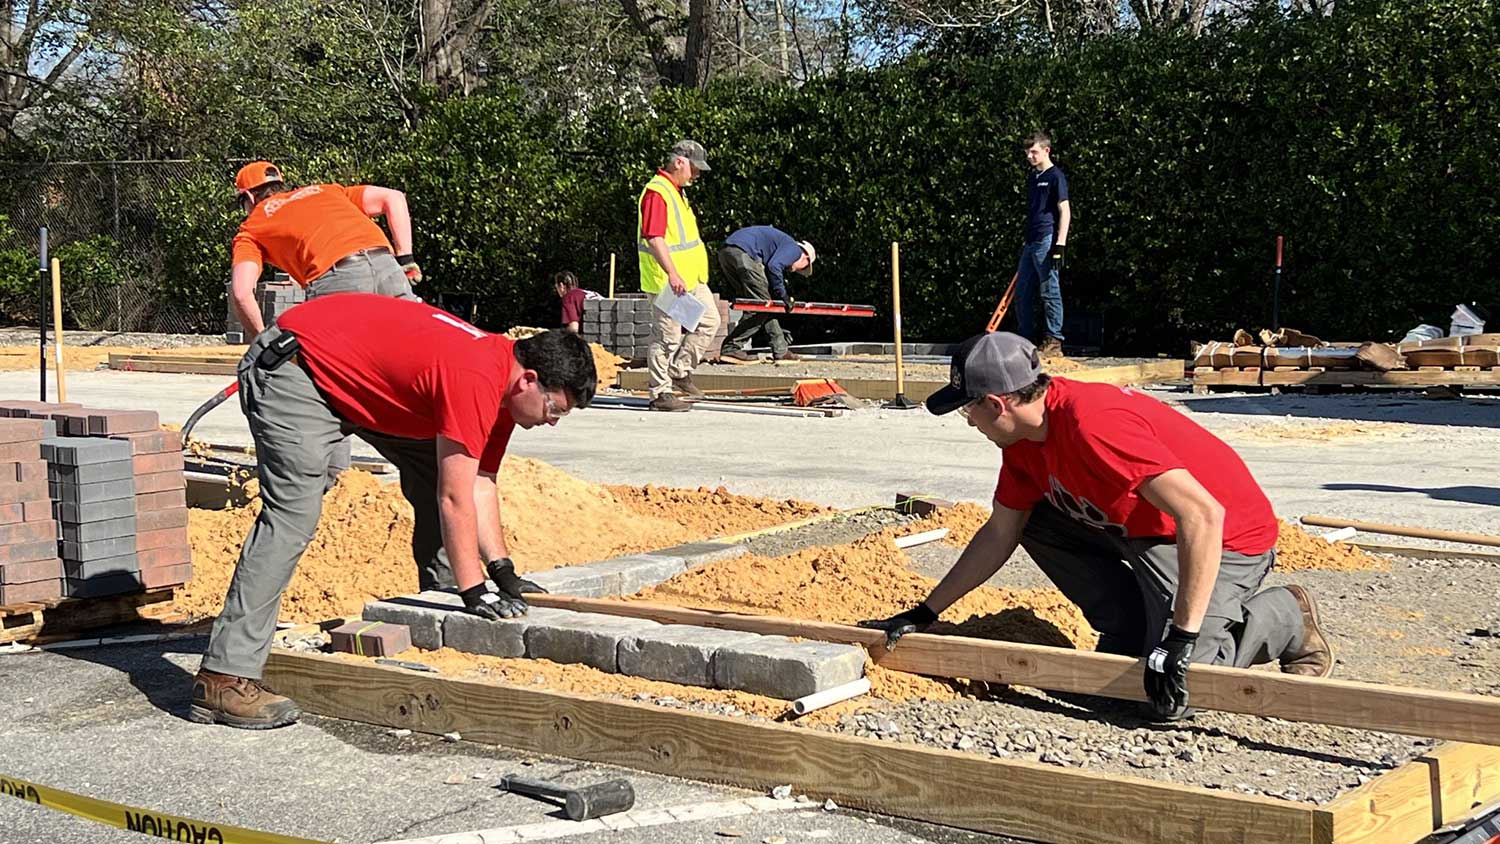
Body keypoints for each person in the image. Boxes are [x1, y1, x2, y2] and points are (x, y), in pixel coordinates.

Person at [860, 332, 1332, 721]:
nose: (969, 422)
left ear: (997, 403)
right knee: (1034, 520)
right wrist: (925, 612)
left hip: (1224, 539)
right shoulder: (1023, 443)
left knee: (1178, 692)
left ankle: (1286, 615)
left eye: (969, 410)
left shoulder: (1093, 423)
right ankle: (1126, 630)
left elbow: (1203, 515)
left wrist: (1181, 639)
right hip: (1144, 530)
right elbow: (1000, 532)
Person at [190, 293, 596, 729]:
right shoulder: (476, 377)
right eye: (554, 408)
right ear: (529, 380)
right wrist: (475, 591)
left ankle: (438, 596)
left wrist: (502, 571)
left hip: (357, 379)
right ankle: (224, 678)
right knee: (293, 514)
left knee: (430, 468)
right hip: (297, 369)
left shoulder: (503, 391)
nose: (552, 421)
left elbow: (479, 482)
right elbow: (455, 499)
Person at [229, 160, 425, 482]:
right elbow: (394, 198)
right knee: (411, 368)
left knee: (328, 378)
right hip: (388, 267)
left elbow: (241, 292)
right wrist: (405, 259)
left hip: (338, 282)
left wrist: (262, 340)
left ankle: (334, 478)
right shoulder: (326, 191)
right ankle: (440, 465)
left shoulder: (252, 227)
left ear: (249, 198)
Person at [637, 139, 722, 412]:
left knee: (710, 321)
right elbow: (654, 238)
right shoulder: (657, 193)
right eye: (694, 168)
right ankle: (659, 393)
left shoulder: (676, 192)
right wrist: (672, 273)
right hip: (668, 282)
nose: (696, 174)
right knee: (667, 336)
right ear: (678, 162)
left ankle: (680, 369)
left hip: (690, 279)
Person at [717, 226, 815, 363]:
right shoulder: (795, 250)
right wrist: (783, 294)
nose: (794, 271)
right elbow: (775, 266)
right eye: (803, 267)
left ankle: (780, 349)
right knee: (760, 307)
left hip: (726, 252)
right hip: (745, 253)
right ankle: (731, 348)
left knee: (761, 304)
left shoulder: (780, 244)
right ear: (806, 257)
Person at [1014, 132, 1070, 358]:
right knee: (1022, 292)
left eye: (1034, 151)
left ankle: (1054, 340)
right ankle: (1025, 339)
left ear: (1047, 150)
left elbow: (1064, 209)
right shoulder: (1033, 178)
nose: (1030, 156)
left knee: (1049, 289)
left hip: (1046, 239)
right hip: (1031, 240)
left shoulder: (1056, 176)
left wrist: (1060, 244)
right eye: (1027, 152)